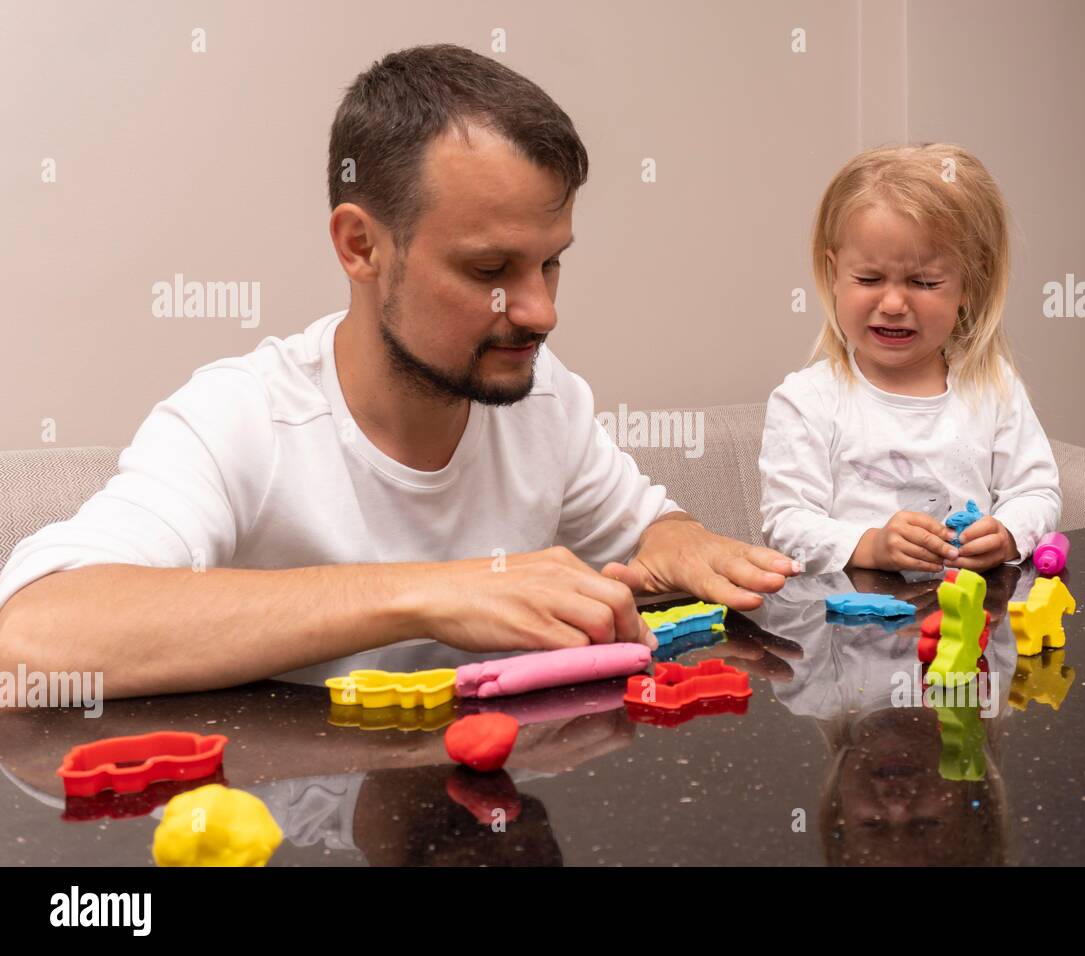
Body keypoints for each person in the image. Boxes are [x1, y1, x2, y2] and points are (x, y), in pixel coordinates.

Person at [0, 45, 796, 699]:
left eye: (551, 264)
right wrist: (434, 592)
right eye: (491, 267)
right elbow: (35, 636)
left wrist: (683, 540)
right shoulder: (240, 418)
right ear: (360, 245)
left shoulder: (543, 399)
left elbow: (646, 531)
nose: (541, 312)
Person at [758, 143, 1061, 576]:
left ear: (968, 287)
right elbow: (786, 523)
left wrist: (1009, 531)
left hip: (973, 625)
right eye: (868, 278)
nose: (895, 302)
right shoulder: (806, 400)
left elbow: (1037, 492)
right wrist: (871, 545)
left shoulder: (992, 386)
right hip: (851, 631)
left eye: (923, 281)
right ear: (833, 275)